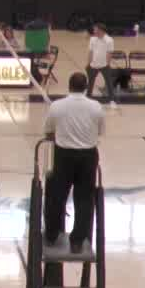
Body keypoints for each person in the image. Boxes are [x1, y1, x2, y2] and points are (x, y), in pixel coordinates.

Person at [43, 73, 107, 255]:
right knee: (84, 199)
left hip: (63, 156)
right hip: (88, 157)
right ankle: (77, 241)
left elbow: (48, 130)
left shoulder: (57, 106)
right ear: (86, 87)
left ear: (69, 86)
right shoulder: (96, 107)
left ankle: (51, 234)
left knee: (56, 196)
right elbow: (100, 131)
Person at [84, 25, 118, 105]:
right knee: (90, 83)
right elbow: (90, 52)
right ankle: (88, 98)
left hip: (104, 65)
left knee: (109, 83)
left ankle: (112, 100)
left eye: (95, 30)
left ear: (101, 31)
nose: (94, 31)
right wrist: (88, 64)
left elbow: (109, 53)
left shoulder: (109, 40)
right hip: (93, 65)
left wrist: (107, 64)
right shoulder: (92, 39)